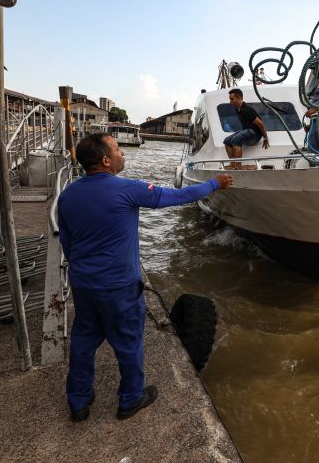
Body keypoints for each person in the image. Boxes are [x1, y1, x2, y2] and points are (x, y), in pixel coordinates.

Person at [57, 133, 233, 422]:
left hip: (84, 284)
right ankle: (130, 399)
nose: (122, 154)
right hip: (119, 287)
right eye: (117, 150)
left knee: (84, 341)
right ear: (105, 160)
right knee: (128, 343)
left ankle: (78, 401)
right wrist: (215, 183)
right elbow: (177, 196)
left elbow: (67, 242)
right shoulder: (129, 189)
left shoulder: (67, 195)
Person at [222, 88, 269, 169]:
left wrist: (265, 138)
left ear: (239, 98)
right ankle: (233, 164)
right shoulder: (237, 109)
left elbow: (260, 123)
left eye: (232, 99)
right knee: (226, 141)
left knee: (236, 140)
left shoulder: (247, 110)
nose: (230, 102)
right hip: (247, 130)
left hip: (255, 134)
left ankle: (238, 166)